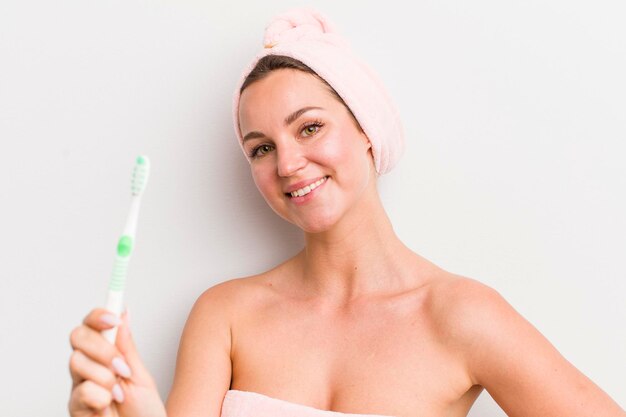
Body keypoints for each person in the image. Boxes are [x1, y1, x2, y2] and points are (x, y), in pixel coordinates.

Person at [68, 8, 625, 417]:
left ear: (365, 131)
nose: (287, 163)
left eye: (309, 127)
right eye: (261, 148)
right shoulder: (224, 316)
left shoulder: (461, 315)